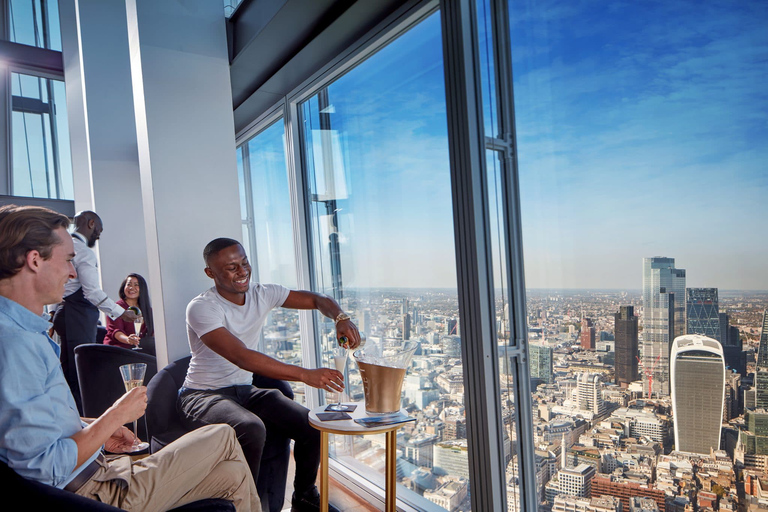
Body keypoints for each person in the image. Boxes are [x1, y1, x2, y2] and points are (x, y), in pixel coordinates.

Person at [0, 205, 260, 511]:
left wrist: (98, 427)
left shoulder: (22, 332)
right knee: (223, 435)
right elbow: (45, 466)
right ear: (34, 261)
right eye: (69, 260)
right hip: (92, 493)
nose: (72, 272)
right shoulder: (15, 345)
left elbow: (39, 424)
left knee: (232, 473)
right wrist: (116, 416)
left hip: (100, 473)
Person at [178, 238, 361, 512]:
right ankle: (246, 506)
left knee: (311, 425)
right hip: (202, 395)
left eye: (244, 263)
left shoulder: (262, 293)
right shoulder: (202, 307)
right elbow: (241, 355)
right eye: (231, 268)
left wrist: (340, 318)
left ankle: (304, 496)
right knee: (251, 427)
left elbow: (316, 299)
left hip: (243, 390)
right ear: (210, 273)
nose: (242, 272)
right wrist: (305, 375)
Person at [52, 210, 138, 412]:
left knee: (68, 371)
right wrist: (121, 312)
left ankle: (72, 416)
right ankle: (83, 420)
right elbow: (91, 291)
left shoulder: (59, 247)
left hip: (65, 314)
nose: (98, 235)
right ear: (90, 224)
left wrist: (52, 313)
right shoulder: (82, 250)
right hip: (77, 317)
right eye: (98, 230)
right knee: (80, 373)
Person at [105, 273, 156, 355]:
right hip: (119, 349)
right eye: (128, 284)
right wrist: (128, 339)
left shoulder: (148, 310)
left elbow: (153, 332)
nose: (132, 288)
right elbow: (115, 332)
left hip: (140, 350)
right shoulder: (115, 308)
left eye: (136, 285)